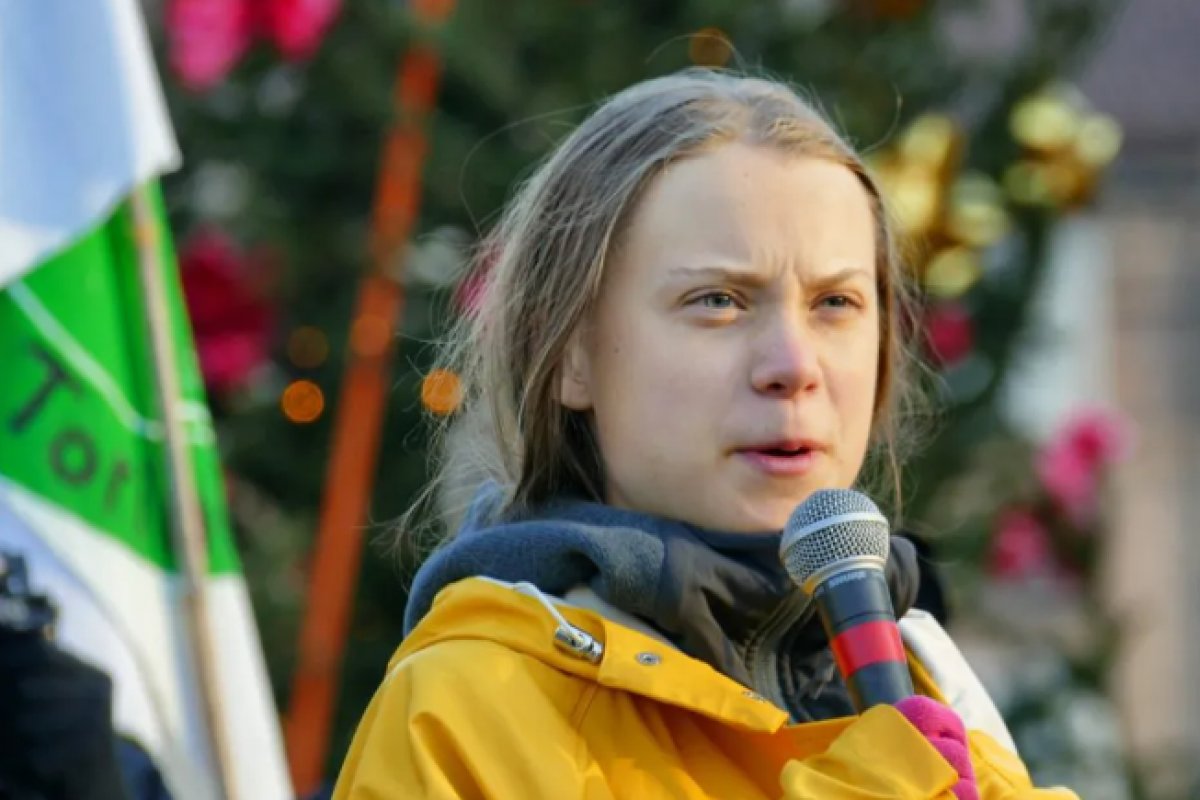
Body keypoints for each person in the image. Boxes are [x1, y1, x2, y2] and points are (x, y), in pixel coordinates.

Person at [333, 69, 1076, 799]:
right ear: (569, 356)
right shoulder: (463, 711)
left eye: (836, 302)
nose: (793, 365)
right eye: (717, 300)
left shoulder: (940, 697)